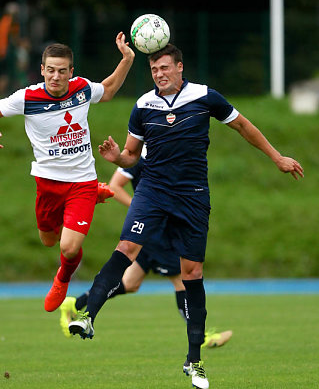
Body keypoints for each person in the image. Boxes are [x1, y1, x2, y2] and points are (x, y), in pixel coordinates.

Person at [68, 43, 304, 389]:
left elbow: (243, 127)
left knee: (191, 272)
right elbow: (132, 157)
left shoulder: (205, 97)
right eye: (153, 70)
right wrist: (118, 157)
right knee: (128, 246)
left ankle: (194, 360)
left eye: (165, 68)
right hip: (152, 193)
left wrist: (276, 157)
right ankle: (88, 315)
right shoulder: (142, 107)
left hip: (192, 198)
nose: (159, 74)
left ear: (180, 67)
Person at [0, 32, 135, 312]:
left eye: (62, 71)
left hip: (81, 181)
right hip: (48, 183)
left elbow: (109, 89)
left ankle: (62, 278)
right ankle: (96, 195)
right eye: (50, 70)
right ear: (42, 70)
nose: (56, 76)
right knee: (48, 240)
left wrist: (127, 59)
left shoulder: (81, 88)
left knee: (67, 248)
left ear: (71, 72)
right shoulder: (27, 97)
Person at [59, 148, 232, 350]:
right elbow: (115, 185)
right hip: (156, 232)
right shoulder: (141, 155)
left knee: (131, 283)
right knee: (181, 281)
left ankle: (75, 303)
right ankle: (200, 336)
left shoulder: (162, 151)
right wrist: (144, 210)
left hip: (159, 230)